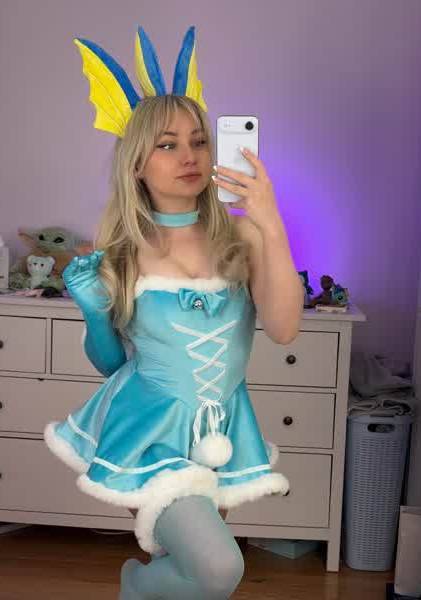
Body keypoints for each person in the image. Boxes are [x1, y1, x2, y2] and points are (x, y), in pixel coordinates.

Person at [44, 26, 303, 599]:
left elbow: (285, 328)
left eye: (199, 141)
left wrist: (271, 221)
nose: (189, 156)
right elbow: (111, 363)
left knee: (196, 580)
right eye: (167, 145)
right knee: (218, 569)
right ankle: (134, 585)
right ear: (137, 163)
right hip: (149, 432)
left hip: (222, 429)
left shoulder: (242, 236)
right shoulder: (120, 250)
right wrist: (93, 312)